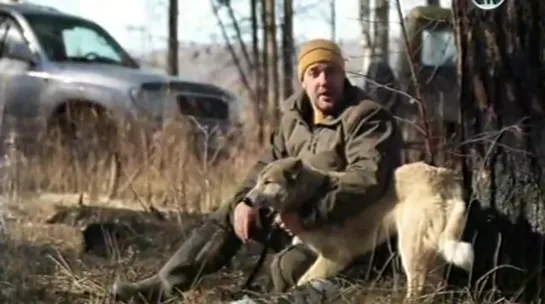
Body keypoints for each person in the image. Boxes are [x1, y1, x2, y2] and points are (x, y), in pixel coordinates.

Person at [112, 38, 404, 302]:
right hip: (295, 224)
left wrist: (307, 217)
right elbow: (265, 167)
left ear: (343, 74)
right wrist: (245, 201)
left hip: (347, 235)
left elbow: (366, 181)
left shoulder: (367, 116)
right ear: (303, 80)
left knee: (287, 270)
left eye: (332, 71)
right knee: (230, 210)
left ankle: (260, 298)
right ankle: (162, 288)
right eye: (314, 73)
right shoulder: (294, 118)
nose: (324, 80)